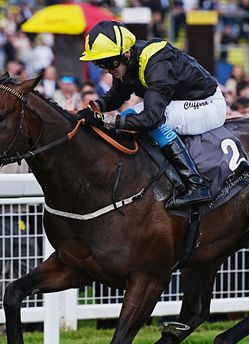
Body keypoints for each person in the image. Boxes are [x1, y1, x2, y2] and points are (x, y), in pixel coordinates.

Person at [76, 21, 225, 209]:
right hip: (179, 103)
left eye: (107, 62)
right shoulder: (124, 61)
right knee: (129, 115)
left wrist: (106, 121)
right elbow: (117, 95)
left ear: (126, 53)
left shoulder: (157, 61)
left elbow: (152, 118)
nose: (106, 69)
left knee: (150, 122)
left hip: (207, 105)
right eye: (99, 64)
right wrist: (96, 106)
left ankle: (196, 184)